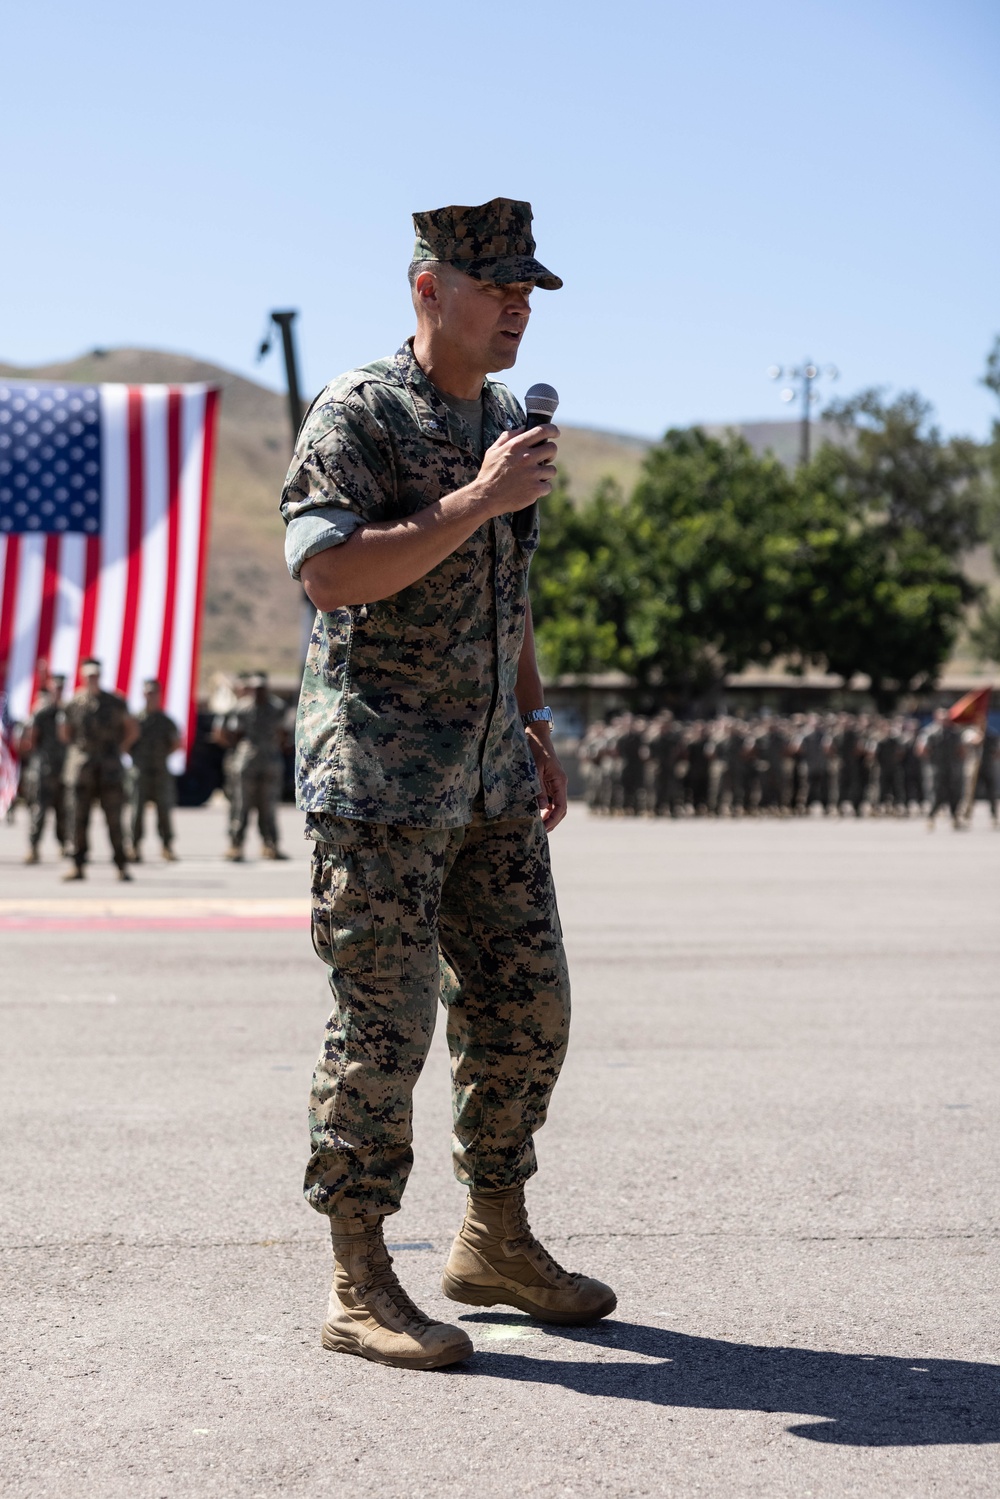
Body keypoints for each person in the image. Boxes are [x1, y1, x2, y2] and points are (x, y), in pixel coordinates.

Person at [280, 197, 614, 1371]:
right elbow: (327, 573)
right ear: (430, 290)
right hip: (377, 780)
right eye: (498, 286)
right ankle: (358, 1277)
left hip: (486, 779)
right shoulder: (360, 413)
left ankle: (493, 1238)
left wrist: (531, 719)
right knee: (385, 1029)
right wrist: (474, 496)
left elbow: (503, 588)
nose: (519, 305)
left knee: (528, 1012)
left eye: (530, 290)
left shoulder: (506, 420)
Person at [59, 658, 137, 881]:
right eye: (89, 676)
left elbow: (131, 729)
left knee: (114, 819)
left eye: (96, 675)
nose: (92, 679)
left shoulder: (115, 702)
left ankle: (121, 865)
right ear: (83, 677)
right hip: (82, 768)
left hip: (109, 768)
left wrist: (119, 749)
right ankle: (78, 865)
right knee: (78, 819)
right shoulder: (74, 703)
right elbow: (65, 733)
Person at [218, 672, 289, 861]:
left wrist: (275, 747)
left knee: (269, 806)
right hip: (247, 762)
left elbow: (284, 733)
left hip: (270, 763)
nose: (259, 693)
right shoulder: (242, 708)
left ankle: (270, 845)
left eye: (262, 689)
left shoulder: (277, 708)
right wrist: (237, 751)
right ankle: (236, 845)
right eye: (256, 689)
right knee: (241, 804)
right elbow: (231, 733)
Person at [127, 678, 180, 862]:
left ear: (159, 695)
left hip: (160, 772)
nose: (151, 696)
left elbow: (176, 744)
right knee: (136, 811)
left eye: (154, 693)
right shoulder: (135, 720)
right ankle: (134, 847)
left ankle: (167, 846)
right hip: (139, 771)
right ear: (143, 694)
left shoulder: (166, 721)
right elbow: (126, 743)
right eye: (148, 693)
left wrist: (160, 757)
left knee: (164, 811)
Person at [21, 672, 67, 863]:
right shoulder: (42, 712)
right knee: (39, 809)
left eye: (61, 688)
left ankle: (65, 845)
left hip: (63, 769)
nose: (58, 691)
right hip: (44, 768)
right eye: (55, 688)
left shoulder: (67, 711)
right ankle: (33, 847)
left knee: (63, 810)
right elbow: (31, 739)